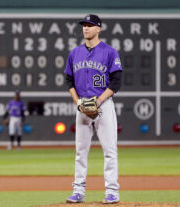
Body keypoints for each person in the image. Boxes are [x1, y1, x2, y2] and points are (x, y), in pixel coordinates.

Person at [64, 14, 122, 204]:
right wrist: (78, 102)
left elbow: (116, 82)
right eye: (84, 25)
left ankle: (112, 192)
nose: (86, 28)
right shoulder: (74, 53)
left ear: (99, 29)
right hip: (82, 107)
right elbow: (69, 81)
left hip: (103, 105)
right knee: (81, 151)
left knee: (109, 150)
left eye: (90, 25)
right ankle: (78, 191)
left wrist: (99, 100)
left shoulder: (110, 52)